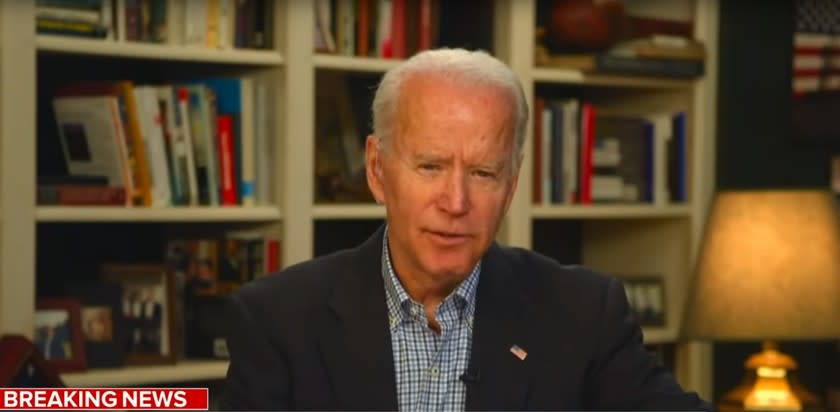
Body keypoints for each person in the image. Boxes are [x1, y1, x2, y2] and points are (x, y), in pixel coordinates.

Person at [220, 48, 711, 411]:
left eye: (482, 174)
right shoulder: (278, 321)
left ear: (512, 185)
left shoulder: (583, 315)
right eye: (430, 166)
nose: (456, 203)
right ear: (376, 170)